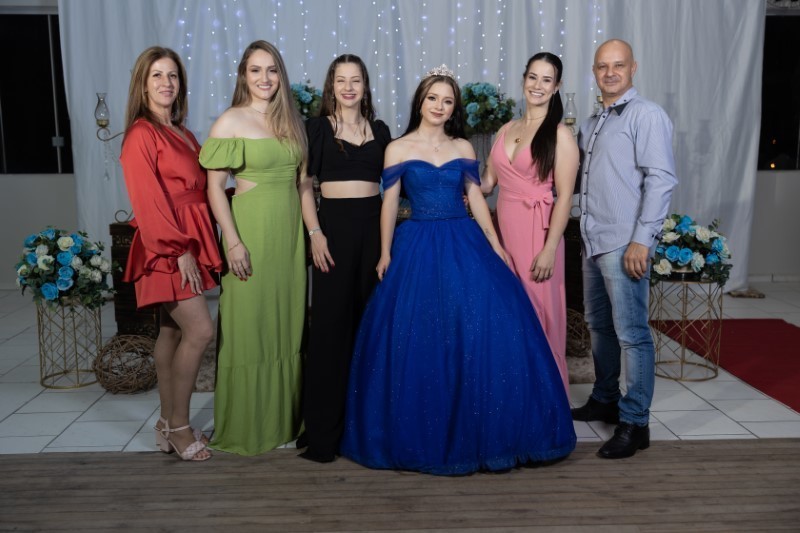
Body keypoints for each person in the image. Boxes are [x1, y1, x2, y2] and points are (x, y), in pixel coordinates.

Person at [339, 65, 576, 475]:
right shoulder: (397, 148)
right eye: (433, 98)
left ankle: (494, 425)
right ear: (420, 101)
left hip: (462, 239)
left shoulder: (463, 147)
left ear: (454, 109)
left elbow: (476, 195)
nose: (439, 106)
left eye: (447, 101)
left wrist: (495, 244)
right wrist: (385, 252)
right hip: (417, 242)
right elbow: (390, 203)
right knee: (418, 333)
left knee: (486, 326)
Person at [571, 39, 677, 459]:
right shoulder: (592, 121)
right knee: (599, 325)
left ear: (633, 68)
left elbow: (661, 180)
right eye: (602, 66)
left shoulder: (646, 115)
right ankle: (605, 399)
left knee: (632, 334)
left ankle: (635, 423)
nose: (610, 72)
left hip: (625, 242)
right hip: (593, 239)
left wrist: (641, 239)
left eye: (618, 65)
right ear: (594, 72)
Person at [200, 40, 306, 456]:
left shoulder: (291, 121)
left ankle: (283, 421)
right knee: (250, 326)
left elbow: (302, 183)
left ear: (281, 75)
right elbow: (214, 188)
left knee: (285, 323)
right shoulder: (230, 120)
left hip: (288, 235)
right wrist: (233, 241)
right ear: (243, 76)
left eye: (272, 70)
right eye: (256, 70)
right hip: (251, 232)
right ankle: (247, 425)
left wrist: (313, 233)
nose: (265, 78)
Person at [120, 46, 222, 462]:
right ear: (143, 85)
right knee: (200, 331)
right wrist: (178, 249)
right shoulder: (141, 133)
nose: (167, 83)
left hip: (188, 237)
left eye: (173, 75)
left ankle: (165, 424)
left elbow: (197, 188)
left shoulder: (181, 131)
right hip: (167, 244)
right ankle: (180, 427)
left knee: (172, 332)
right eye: (157, 76)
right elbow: (147, 199)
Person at [297, 55, 392, 463]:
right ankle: (323, 430)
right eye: (341, 80)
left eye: (356, 80)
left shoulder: (381, 131)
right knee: (330, 331)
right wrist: (315, 233)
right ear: (331, 86)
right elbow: (303, 184)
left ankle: (364, 426)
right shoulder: (317, 128)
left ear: (365, 86)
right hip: (332, 232)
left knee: (369, 328)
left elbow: (395, 186)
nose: (348, 87)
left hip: (373, 232)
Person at [481, 52, 579, 395]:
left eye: (546, 80)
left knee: (539, 316)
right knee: (509, 315)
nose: (537, 85)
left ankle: (547, 404)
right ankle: (514, 399)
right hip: (504, 233)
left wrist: (550, 249)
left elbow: (564, 197)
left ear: (557, 86)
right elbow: (488, 183)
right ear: (524, 79)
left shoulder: (560, 135)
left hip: (539, 235)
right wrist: (452, 177)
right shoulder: (505, 129)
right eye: (533, 77)